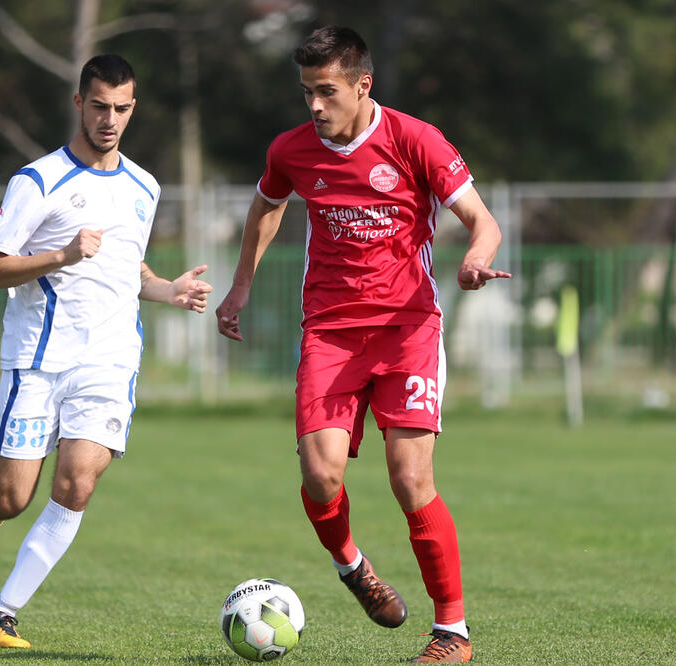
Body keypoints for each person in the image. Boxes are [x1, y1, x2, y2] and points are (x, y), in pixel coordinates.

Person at [215, 26, 510, 664]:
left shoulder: (414, 139)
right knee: (320, 476)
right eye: (306, 93)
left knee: (410, 478)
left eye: (327, 91)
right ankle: (352, 566)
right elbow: (267, 206)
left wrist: (474, 261)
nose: (315, 106)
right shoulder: (293, 150)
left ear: (362, 85)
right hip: (330, 330)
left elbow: (482, 221)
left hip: (407, 330)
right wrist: (241, 286)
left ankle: (451, 633)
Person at [0, 53, 212, 649]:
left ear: (133, 108)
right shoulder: (37, 181)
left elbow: (126, 268)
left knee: (75, 484)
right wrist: (61, 255)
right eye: (99, 106)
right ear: (78, 103)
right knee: (15, 496)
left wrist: (167, 289)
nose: (110, 119)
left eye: (121, 108)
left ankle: (1, 614)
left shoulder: (145, 186)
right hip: (37, 360)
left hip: (111, 361)